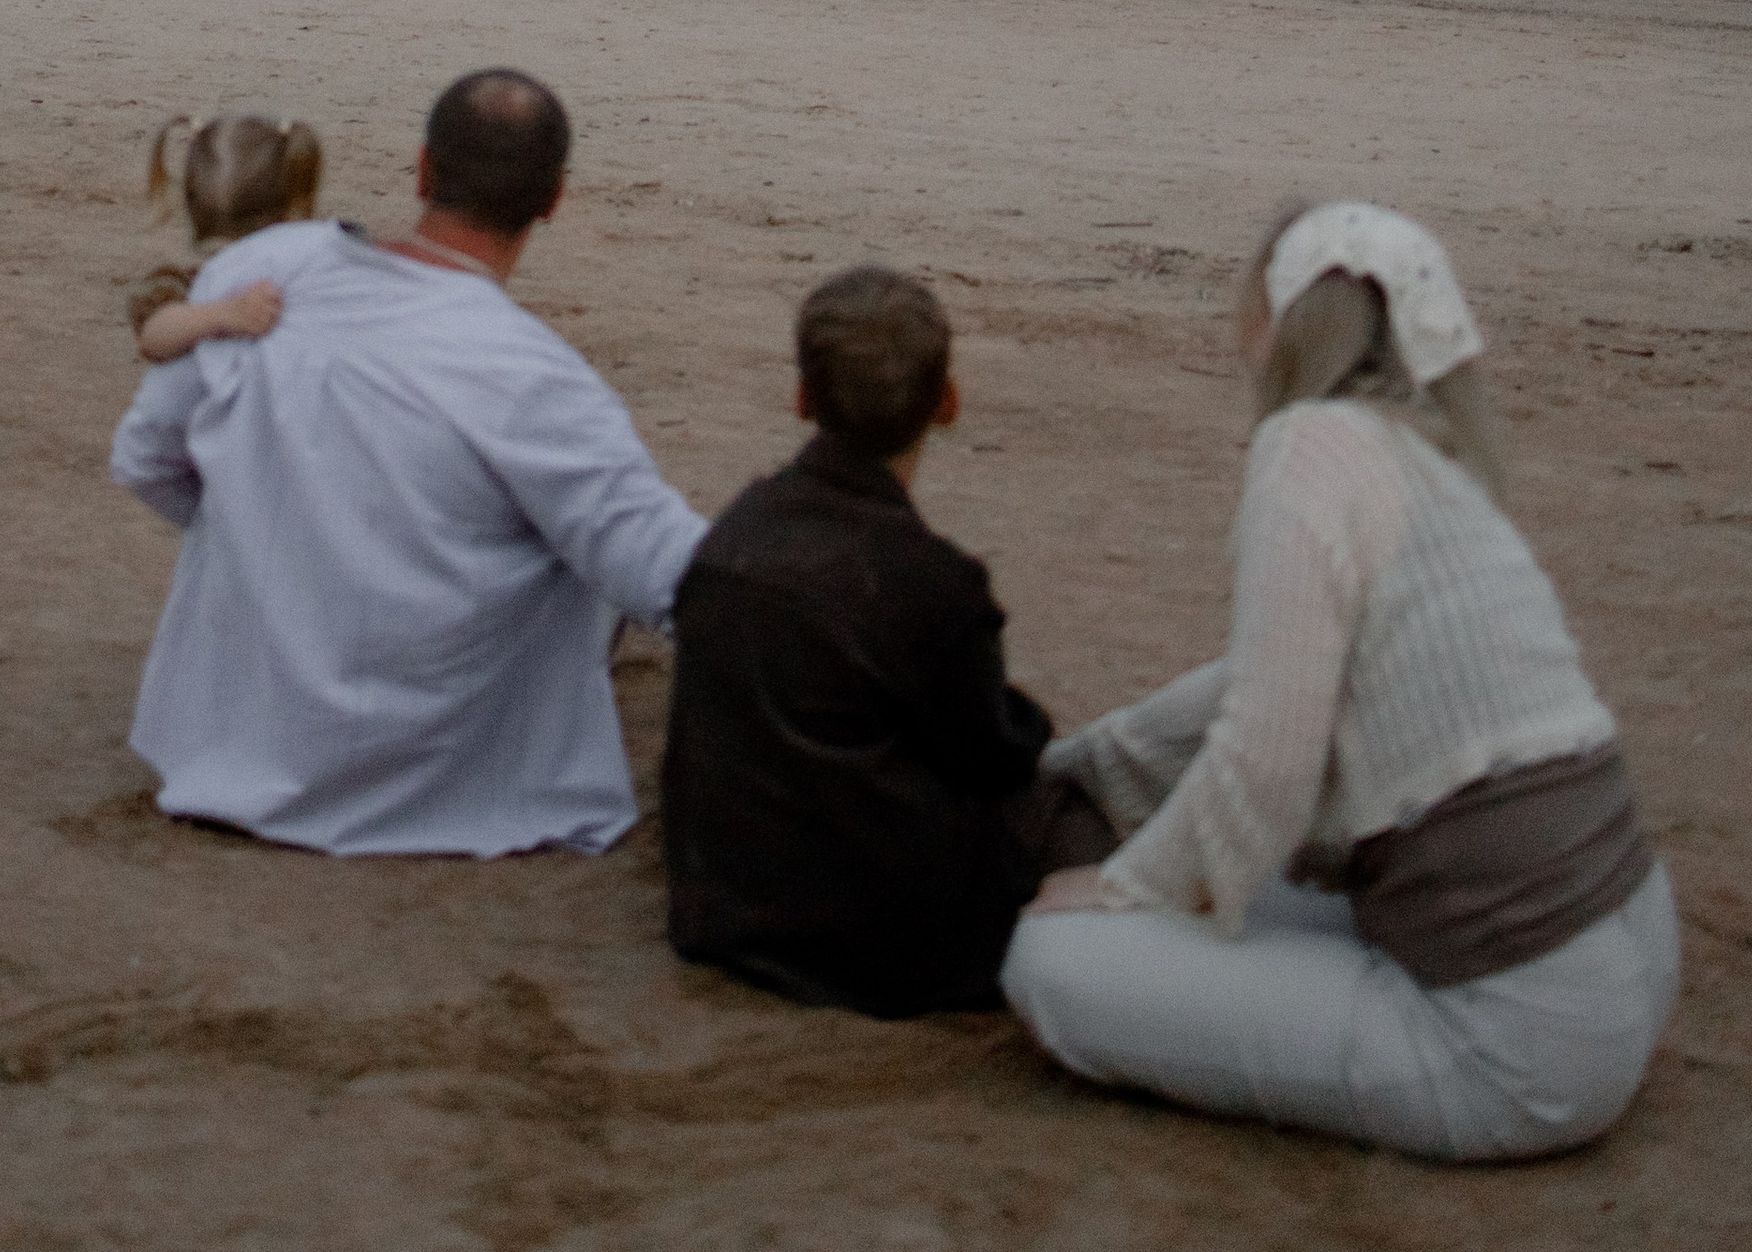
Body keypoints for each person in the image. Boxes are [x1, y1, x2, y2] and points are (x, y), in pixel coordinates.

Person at [1004, 200, 1678, 1164]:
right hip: (1623, 955)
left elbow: (1266, 762)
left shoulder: (1311, 447)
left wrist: (1124, 889)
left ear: (1286, 323)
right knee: (1208, 876)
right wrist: (1095, 772)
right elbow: (1263, 687)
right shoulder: (1433, 462)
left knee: (1052, 961)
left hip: (1520, 1040)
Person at [109, 67, 704, 855]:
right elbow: (670, 576)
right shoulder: (537, 377)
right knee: (585, 532)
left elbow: (146, 459)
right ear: (554, 198)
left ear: (422, 171)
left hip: (231, 743)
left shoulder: (262, 272)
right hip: (435, 779)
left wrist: (273, 534)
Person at [664, 264, 1101, 1017]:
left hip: (724, 912)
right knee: (1069, 805)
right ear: (947, 403)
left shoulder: (732, 537)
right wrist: (1027, 722)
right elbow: (992, 759)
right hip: (876, 951)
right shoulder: (933, 582)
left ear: (803, 398)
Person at [128, 108, 323, 362]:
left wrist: (219, 313)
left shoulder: (186, 286)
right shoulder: (313, 274)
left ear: (189, 201)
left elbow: (152, 336)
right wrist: (227, 314)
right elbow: (154, 335)